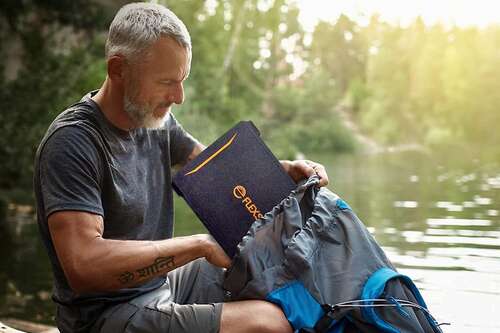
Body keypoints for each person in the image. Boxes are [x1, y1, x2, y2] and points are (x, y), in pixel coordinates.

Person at [33, 3, 329, 333]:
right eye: (167, 82)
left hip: (158, 288)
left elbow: (216, 172)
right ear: (118, 69)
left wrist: (282, 172)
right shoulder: (73, 142)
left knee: (260, 272)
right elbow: (83, 265)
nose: (179, 96)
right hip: (102, 317)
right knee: (268, 323)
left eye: (183, 80)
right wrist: (197, 245)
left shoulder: (155, 122)